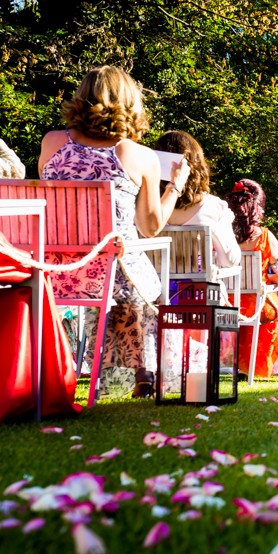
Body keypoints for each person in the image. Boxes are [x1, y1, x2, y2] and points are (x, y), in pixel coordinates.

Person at [38, 66, 190, 397]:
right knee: (144, 289)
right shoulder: (137, 155)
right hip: (111, 269)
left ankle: (106, 371)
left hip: (58, 272)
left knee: (120, 283)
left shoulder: (51, 143)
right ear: (131, 101)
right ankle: (143, 370)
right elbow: (150, 228)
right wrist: (175, 186)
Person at [225, 179, 278, 379]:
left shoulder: (223, 234)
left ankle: (234, 364)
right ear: (257, 207)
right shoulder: (265, 236)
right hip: (256, 306)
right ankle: (253, 367)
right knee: (271, 310)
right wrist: (268, 278)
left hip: (225, 303)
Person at [155, 130, 241, 269]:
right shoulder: (213, 206)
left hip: (156, 288)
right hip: (198, 289)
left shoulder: (147, 208)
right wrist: (224, 220)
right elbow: (229, 261)